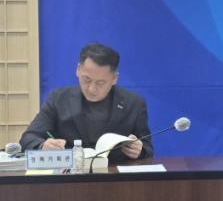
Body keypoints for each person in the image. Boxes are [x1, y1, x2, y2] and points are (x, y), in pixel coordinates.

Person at [20, 43, 153, 161]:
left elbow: (147, 148)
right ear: (78, 70)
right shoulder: (58, 99)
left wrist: (139, 150)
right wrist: (43, 146)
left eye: (100, 83)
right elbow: (28, 138)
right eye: (86, 80)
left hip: (115, 175)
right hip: (70, 175)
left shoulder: (134, 103)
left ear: (114, 78)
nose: (91, 89)